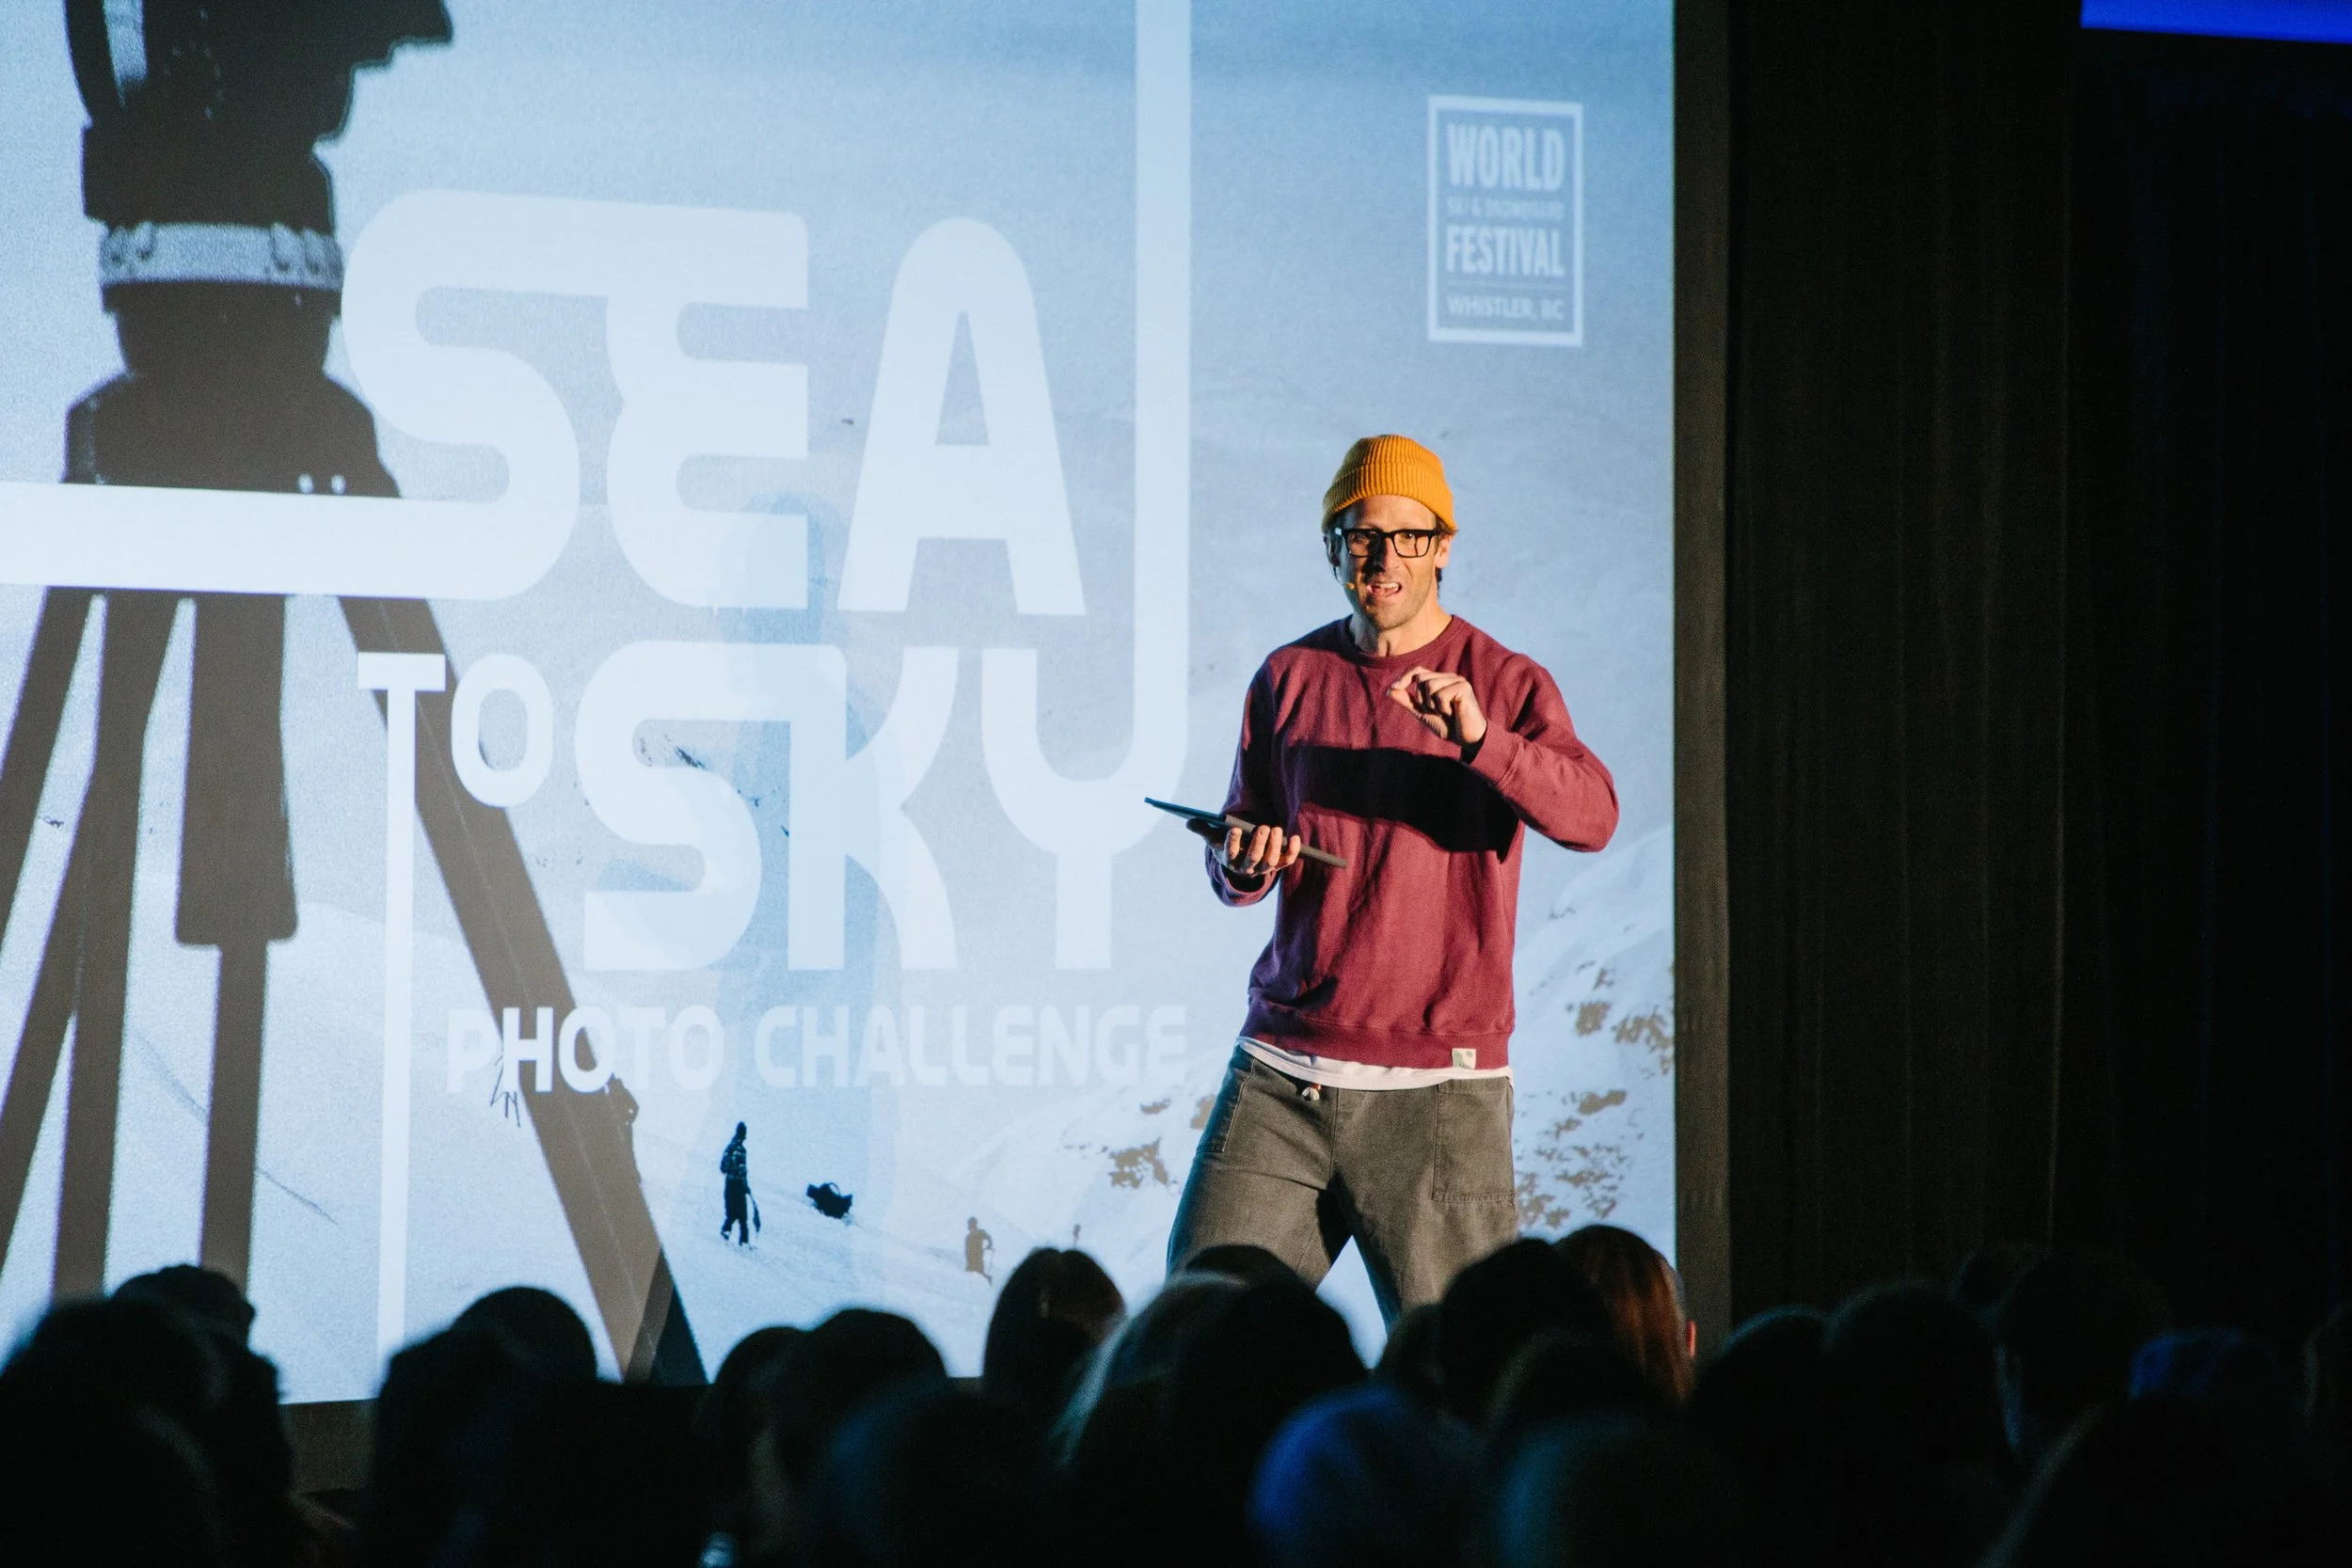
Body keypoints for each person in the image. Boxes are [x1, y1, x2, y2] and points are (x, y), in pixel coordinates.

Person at [1168, 436, 1619, 1323]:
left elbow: (1594, 817)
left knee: (1467, 1375)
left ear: (1443, 546)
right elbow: (1238, 860)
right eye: (1360, 535)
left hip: (1437, 1093)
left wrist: (1483, 741)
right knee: (1194, 1335)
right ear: (1333, 546)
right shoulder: (1287, 677)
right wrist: (1242, 858)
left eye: (1407, 537)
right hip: (1283, 1073)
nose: (1382, 557)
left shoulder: (1505, 681)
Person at [720, 1123, 753, 1246]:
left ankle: (725, 1232)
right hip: (738, 1186)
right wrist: (746, 1187)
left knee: (731, 1213)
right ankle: (744, 1243)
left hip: (728, 1184)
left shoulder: (729, 1148)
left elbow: (723, 1168)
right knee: (743, 1218)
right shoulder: (741, 1150)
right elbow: (742, 1172)